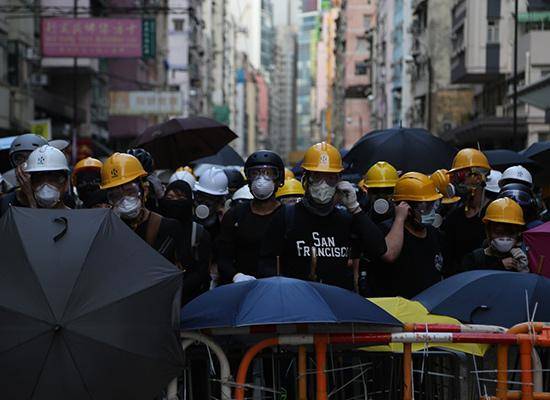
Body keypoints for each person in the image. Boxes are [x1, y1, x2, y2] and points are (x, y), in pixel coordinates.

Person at [259, 142, 387, 290]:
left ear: (339, 181)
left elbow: (379, 249)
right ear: (305, 179)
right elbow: (266, 264)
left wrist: (355, 208)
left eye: (330, 177)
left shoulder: (347, 219)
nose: (323, 184)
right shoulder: (286, 216)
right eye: (317, 176)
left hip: (337, 303)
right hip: (298, 301)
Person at [366, 172, 444, 298]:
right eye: (425, 206)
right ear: (406, 207)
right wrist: (400, 219)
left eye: (433, 205)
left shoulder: (434, 234)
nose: (431, 211)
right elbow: (389, 254)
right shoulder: (385, 230)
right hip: (398, 309)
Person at [101, 153, 186, 267]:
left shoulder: (166, 227)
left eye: (129, 191)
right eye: (116, 195)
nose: (124, 200)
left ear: (144, 189)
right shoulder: (106, 232)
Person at [217, 150, 285, 283]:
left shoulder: (288, 216)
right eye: (255, 173)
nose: (261, 179)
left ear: (279, 179)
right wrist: (236, 276)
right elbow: (223, 258)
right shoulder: (234, 215)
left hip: (278, 289)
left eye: (268, 173)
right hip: (242, 287)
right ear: (248, 178)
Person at [158, 179, 212, 302]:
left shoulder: (199, 233)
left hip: (191, 300)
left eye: (180, 198)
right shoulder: (156, 227)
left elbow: (202, 271)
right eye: (170, 198)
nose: (174, 203)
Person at [441, 148, 491, 276]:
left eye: (462, 176)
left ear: (479, 178)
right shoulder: (453, 218)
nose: (457, 183)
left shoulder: (494, 212)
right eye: (455, 178)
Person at [462, 198, 528, 272]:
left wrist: (524, 271)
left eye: (510, 232)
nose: (504, 238)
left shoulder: (522, 259)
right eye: (498, 232)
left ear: (518, 234)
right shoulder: (474, 259)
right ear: (488, 232)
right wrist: (499, 266)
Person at [0, 134, 48, 213]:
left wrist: (30, 196)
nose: (25, 165)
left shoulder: (54, 198)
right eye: (19, 159)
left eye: (32, 158)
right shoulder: (5, 201)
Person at [24, 145, 71, 209]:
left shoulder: (76, 217)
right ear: (30, 184)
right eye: (38, 180)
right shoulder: (19, 217)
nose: (45, 187)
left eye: (53, 179)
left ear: (66, 183)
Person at [193, 167, 229, 240]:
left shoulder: (223, 228)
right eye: (201, 196)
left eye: (211, 198)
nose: (204, 202)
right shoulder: (187, 223)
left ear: (220, 201)